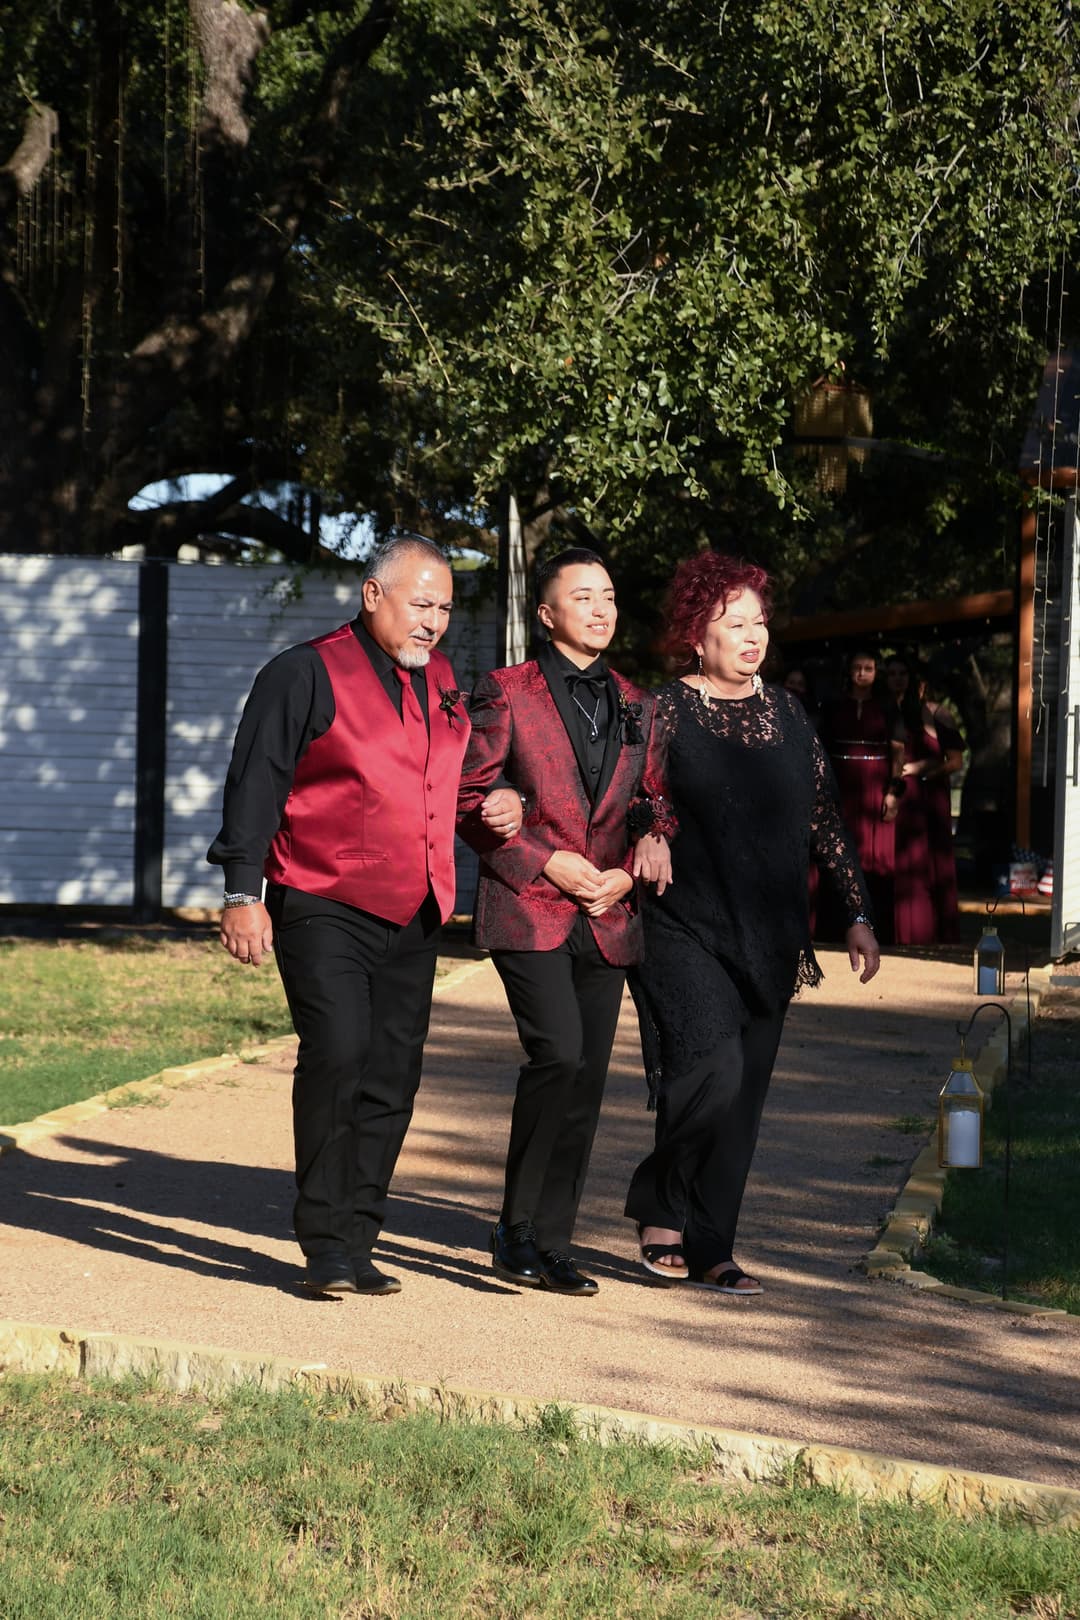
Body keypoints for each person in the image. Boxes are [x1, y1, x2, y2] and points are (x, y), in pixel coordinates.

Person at [208, 536, 521, 1297]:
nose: (434, 623)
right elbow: (257, 782)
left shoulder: (443, 679)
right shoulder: (303, 671)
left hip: (417, 907)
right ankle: (323, 1240)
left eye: (445, 608)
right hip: (322, 899)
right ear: (373, 595)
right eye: (421, 604)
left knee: (392, 1076)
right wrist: (242, 894)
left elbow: (448, 788)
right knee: (339, 1052)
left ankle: (359, 1235)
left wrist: (494, 807)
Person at [625, 552, 879, 1295]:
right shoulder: (664, 709)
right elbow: (636, 791)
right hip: (684, 924)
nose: (751, 635)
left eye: (758, 622)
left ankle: (713, 1245)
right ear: (695, 636)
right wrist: (649, 827)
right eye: (733, 624)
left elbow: (824, 817)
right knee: (711, 1071)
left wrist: (856, 912)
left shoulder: (790, 714)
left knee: (744, 1099)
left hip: (770, 930)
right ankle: (660, 1207)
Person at [456, 547, 674, 1298]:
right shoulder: (504, 691)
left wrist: (643, 847)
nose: (602, 609)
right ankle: (513, 1231)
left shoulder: (639, 703)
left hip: (608, 910)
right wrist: (546, 860)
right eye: (583, 597)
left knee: (584, 1080)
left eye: (609, 595)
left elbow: (654, 798)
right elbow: (469, 798)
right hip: (529, 904)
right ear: (547, 615)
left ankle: (553, 1242)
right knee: (557, 1052)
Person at [816, 647, 905, 943]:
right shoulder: (833, 705)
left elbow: (898, 751)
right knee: (836, 851)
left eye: (868, 667)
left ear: (876, 672)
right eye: (857, 667)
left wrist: (893, 791)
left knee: (875, 856)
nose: (862, 673)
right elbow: (820, 747)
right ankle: (832, 928)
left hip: (875, 784)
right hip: (840, 785)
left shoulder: (888, 706)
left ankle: (874, 929)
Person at [885, 655, 962, 945]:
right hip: (896, 795)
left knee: (932, 864)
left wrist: (921, 772)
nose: (897, 679)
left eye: (903, 672)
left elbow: (955, 761)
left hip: (930, 797)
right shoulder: (882, 711)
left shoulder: (938, 713)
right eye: (891, 673)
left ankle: (935, 931)